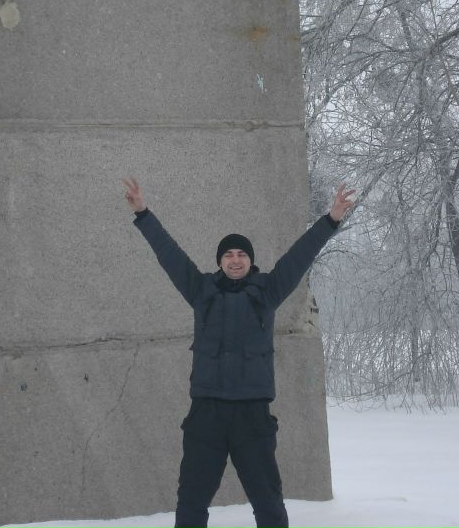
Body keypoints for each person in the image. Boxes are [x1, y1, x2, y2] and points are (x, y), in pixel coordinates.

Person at [121, 177, 355, 528]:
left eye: (241, 254)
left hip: (252, 415)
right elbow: (169, 254)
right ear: (220, 261)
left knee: (269, 504)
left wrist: (331, 220)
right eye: (228, 255)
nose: (235, 260)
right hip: (206, 415)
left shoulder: (268, 292)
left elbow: (298, 257)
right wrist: (143, 213)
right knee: (191, 504)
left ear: (250, 260)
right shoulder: (201, 291)